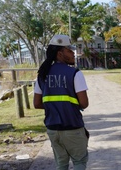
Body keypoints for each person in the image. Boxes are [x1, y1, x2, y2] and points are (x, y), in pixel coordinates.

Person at [33, 34, 89, 170]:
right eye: (69, 50)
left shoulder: (43, 74)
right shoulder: (74, 73)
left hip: (53, 129)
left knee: (61, 164)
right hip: (73, 127)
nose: (73, 53)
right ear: (60, 53)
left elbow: (37, 103)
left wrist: (54, 107)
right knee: (79, 162)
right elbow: (84, 103)